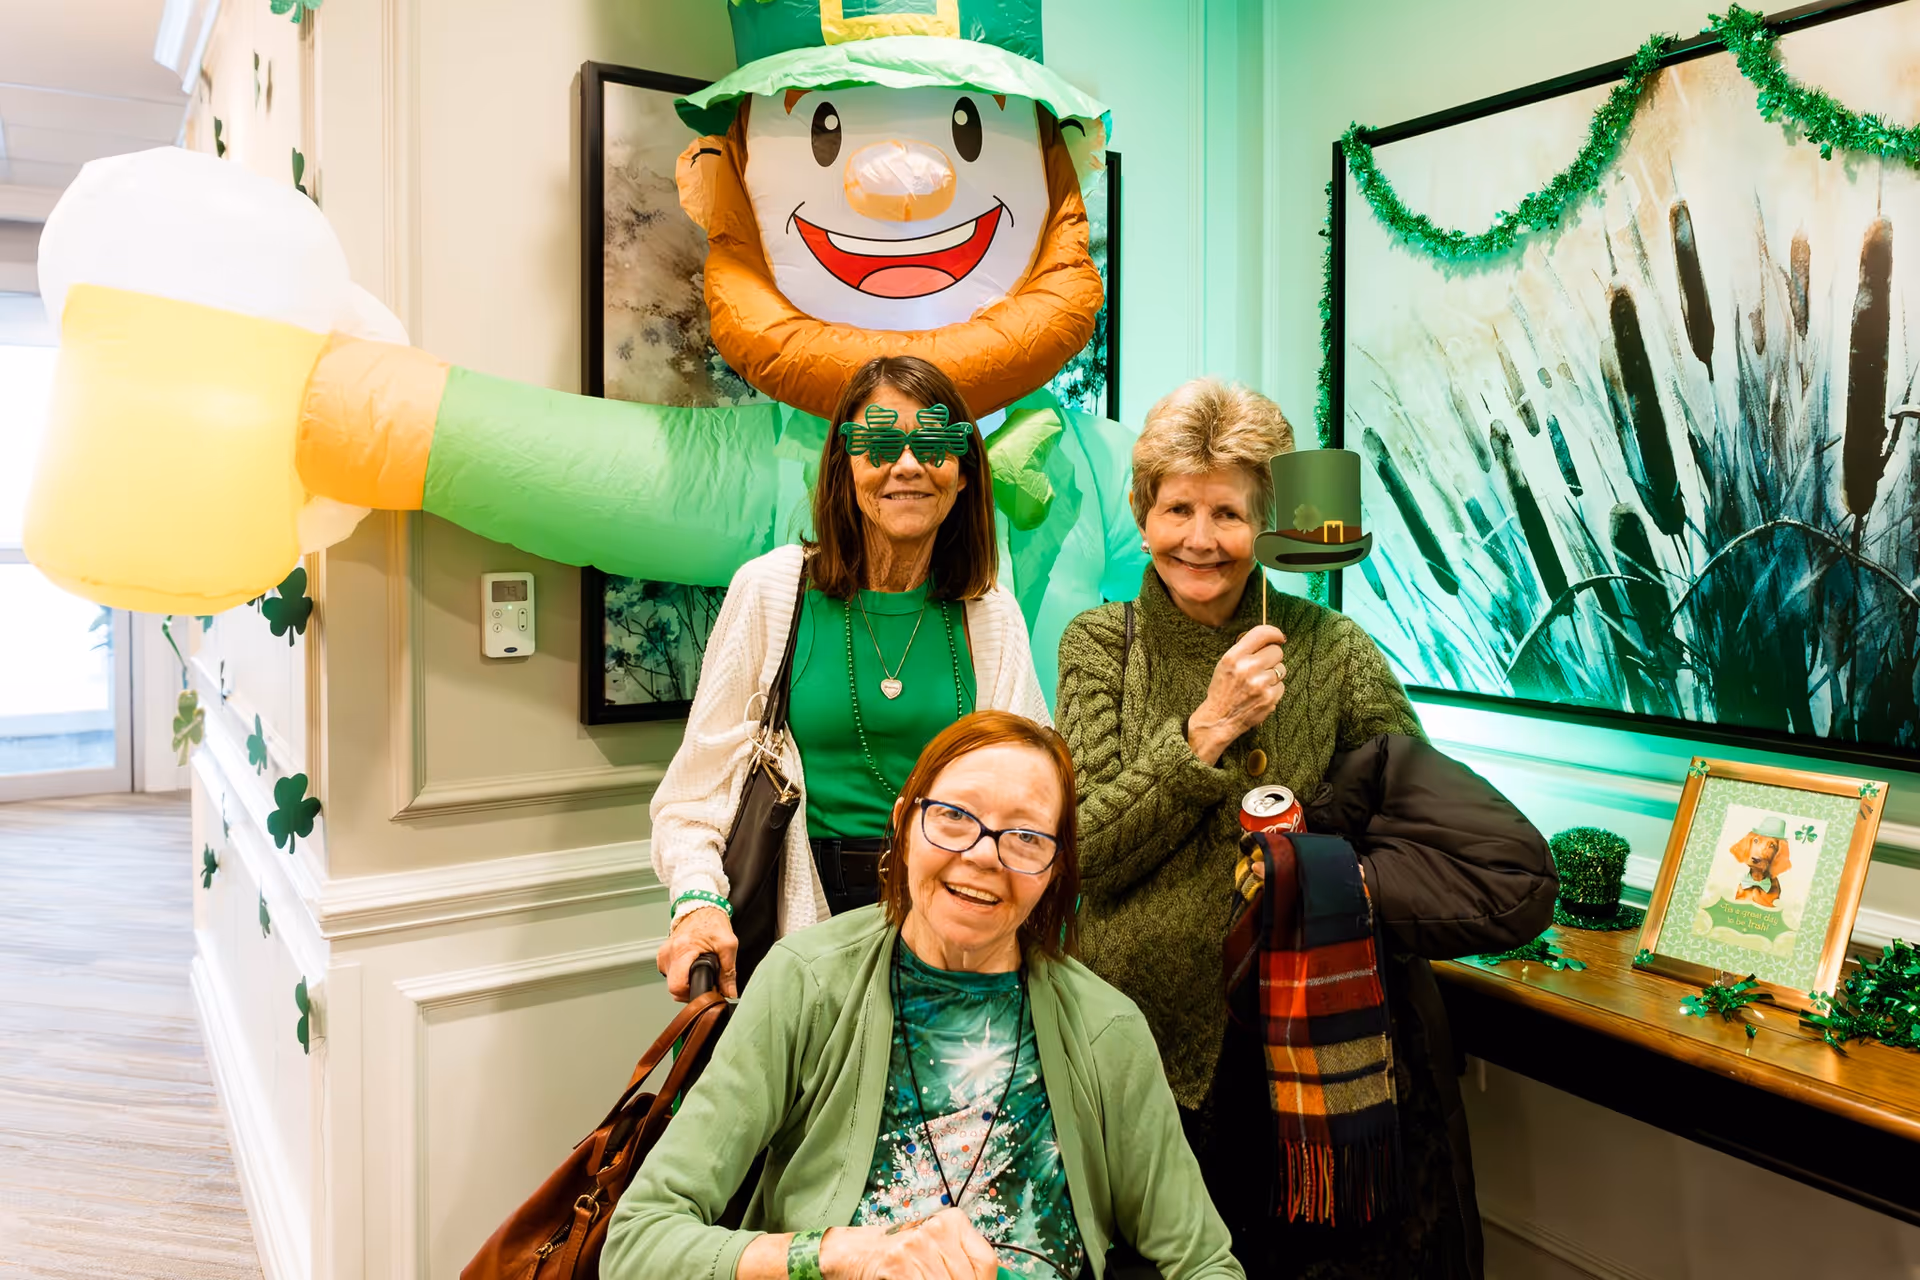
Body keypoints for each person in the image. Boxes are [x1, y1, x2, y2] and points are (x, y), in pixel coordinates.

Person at [1055, 378, 1555, 1280]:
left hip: (1293, 1055)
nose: (1199, 539)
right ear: (1142, 509)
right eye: (1177, 508)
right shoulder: (1100, 644)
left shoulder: (1331, 648)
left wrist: (1324, 867)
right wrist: (1208, 729)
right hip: (1132, 1047)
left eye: (1228, 513)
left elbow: (1417, 819)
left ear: (1268, 522)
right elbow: (1085, 853)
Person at [604, 711, 1243, 1280]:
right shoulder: (807, 982)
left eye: (1025, 837)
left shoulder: (1107, 1029)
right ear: (905, 824)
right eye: (954, 817)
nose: (983, 856)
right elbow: (637, 1245)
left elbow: (1206, 1263)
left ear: (1054, 870)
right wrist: (840, 1255)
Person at [651, 356, 1051, 1001]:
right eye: (880, 444)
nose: (908, 465)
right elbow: (694, 798)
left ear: (964, 471)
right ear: (845, 467)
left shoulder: (990, 614)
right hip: (798, 917)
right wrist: (697, 902)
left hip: (948, 929)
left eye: (935, 444)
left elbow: (1029, 796)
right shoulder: (773, 590)